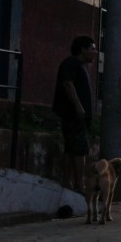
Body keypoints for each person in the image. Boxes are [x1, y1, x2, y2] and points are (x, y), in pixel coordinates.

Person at [52, 36, 98, 193]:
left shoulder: (81, 66)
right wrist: (78, 106)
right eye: (92, 48)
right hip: (74, 115)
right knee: (79, 150)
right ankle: (79, 186)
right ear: (83, 49)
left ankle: (67, 184)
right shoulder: (72, 63)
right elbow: (67, 83)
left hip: (78, 116)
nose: (95, 52)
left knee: (71, 149)